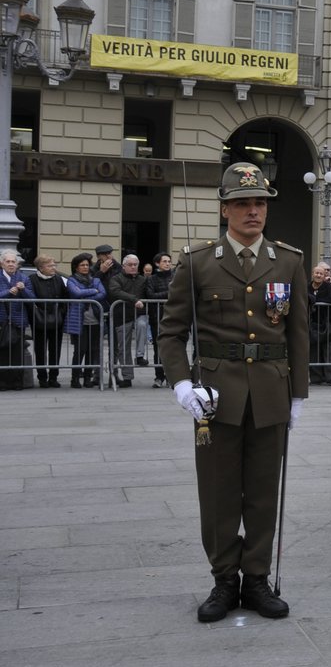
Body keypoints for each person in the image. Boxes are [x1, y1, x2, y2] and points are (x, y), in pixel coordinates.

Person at [157, 161, 309, 623]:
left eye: (259, 203)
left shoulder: (289, 260)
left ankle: (257, 578)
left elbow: (298, 332)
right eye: (242, 203)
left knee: (263, 491)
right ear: (225, 210)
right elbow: (171, 332)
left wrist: (298, 394)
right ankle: (225, 578)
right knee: (220, 492)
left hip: (269, 390)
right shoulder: (197, 261)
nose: (252, 212)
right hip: (214, 395)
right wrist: (182, 382)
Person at [63, 253, 104, 388]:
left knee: (92, 351)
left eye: (87, 265)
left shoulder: (95, 279)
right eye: (82, 265)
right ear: (76, 267)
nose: (85, 267)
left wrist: (87, 296)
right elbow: (75, 293)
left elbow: (103, 293)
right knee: (80, 350)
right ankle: (75, 379)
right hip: (79, 321)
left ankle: (87, 377)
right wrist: (93, 291)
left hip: (95, 320)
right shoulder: (72, 280)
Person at [105, 253, 146, 389]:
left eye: (135, 265)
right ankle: (127, 377)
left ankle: (140, 356)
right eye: (130, 265)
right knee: (123, 348)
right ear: (124, 266)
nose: (133, 267)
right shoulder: (116, 278)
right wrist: (134, 299)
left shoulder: (142, 279)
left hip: (138, 315)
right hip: (121, 316)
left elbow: (148, 293)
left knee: (142, 326)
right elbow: (115, 291)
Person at [26, 255, 67, 387]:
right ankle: (42, 378)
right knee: (40, 349)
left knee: (55, 349)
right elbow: (30, 298)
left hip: (56, 319)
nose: (53, 268)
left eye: (54, 265)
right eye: (50, 265)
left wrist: (61, 312)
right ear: (41, 268)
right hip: (39, 320)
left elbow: (64, 297)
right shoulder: (32, 279)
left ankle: (54, 377)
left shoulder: (58, 279)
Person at [309, 262, 331, 385]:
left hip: (327, 323)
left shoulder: (329, 287)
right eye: (316, 273)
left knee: (329, 351)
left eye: (321, 274)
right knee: (313, 352)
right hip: (312, 323)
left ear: (324, 276)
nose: (318, 275)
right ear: (312, 274)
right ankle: (316, 378)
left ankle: (330, 378)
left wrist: (313, 300)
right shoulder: (308, 286)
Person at [0, 249, 28, 391]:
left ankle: (18, 381)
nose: (11, 264)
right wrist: (8, 292)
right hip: (2, 321)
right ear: (2, 264)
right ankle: (3, 382)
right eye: (8, 261)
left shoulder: (23, 278)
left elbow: (33, 298)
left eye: (13, 262)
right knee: (2, 351)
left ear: (17, 264)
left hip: (18, 321)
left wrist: (23, 290)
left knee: (17, 352)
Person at [145, 253, 172, 387]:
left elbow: (180, 292)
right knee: (158, 347)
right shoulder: (151, 279)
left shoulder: (175, 277)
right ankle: (159, 376)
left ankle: (171, 376)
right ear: (157, 264)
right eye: (164, 261)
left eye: (169, 261)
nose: (167, 264)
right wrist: (169, 293)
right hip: (157, 317)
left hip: (174, 317)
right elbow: (150, 295)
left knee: (174, 347)